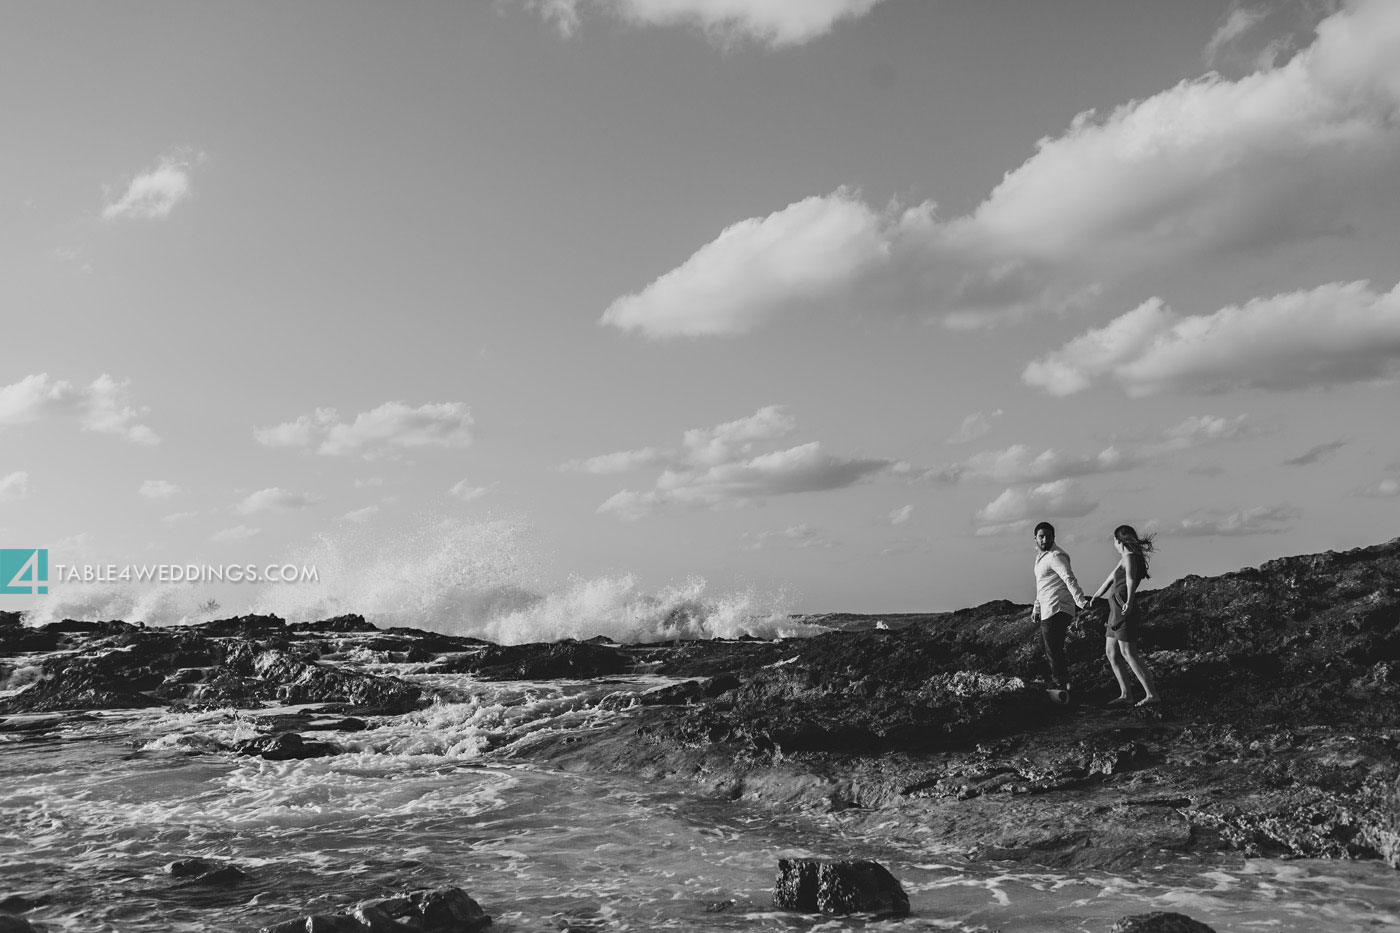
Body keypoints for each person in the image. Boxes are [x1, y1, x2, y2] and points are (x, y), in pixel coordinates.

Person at [1090, 524, 1161, 707]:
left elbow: (1129, 580)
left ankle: (1151, 694)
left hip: (1123, 611)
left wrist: (1129, 601)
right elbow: (1109, 580)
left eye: (1114, 540)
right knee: (1111, 653)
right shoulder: (1124, 558)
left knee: (1128, 653)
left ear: (1119, 541)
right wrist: (1095, 596)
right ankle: (1125, 695)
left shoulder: (1129, 558)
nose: (1113, 543)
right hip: (1115, 612)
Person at [1030, 521, 1089, 696]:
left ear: (1054, 538)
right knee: (1047, 644)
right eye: (1041, 536)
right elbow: (1042, 585)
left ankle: (1062, 684)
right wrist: (1036, 609)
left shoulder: (1056, 556)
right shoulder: (1041, 557)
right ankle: (1066, 681)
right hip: (1047, 605)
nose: (1045, 539)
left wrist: (1081, 602)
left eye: (1048, 536)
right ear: (1035, 538)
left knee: (1052, 647)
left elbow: (1069, 578)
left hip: (1058, 606)